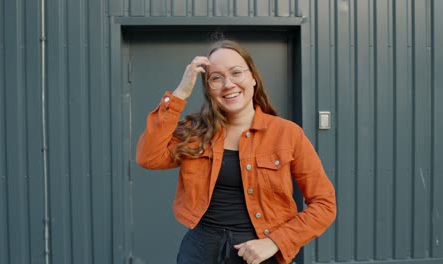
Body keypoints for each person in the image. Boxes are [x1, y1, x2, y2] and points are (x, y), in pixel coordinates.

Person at [136, 40, 336, 264]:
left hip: (259, 253)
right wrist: (180, 93)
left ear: (253, 79)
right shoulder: (195, 132)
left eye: (236, 73)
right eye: (216, 78)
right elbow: (148, 157)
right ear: (209, 89)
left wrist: (275, 242)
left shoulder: (287, 134)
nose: (228, 84)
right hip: (200, 252)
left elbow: (325, 204)